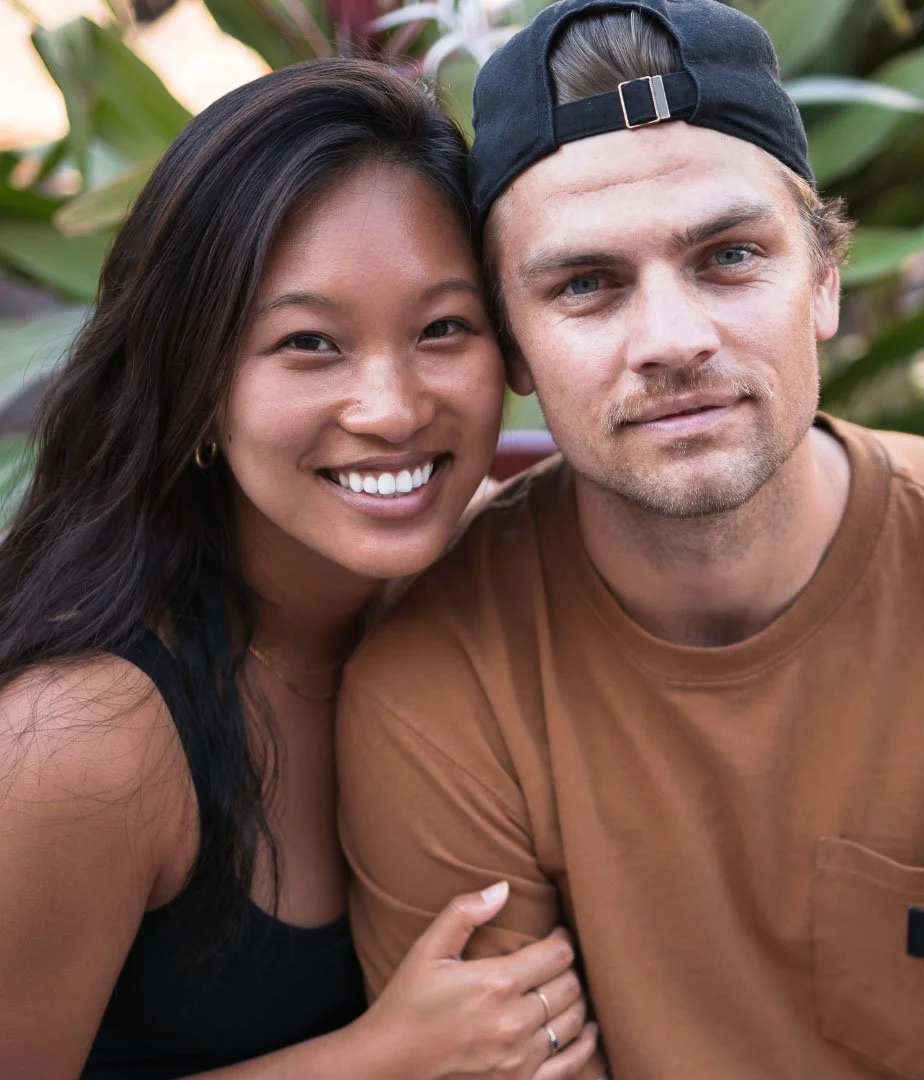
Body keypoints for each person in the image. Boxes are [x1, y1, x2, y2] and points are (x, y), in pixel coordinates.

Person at [336, 2, 924, 1078]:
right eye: (586, 285)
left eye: (729, 256)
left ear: (823, 278)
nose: (674, 341)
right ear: (516, 349)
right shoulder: (440, 675)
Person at [0, 58, 598, 1079]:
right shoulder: (81, 742)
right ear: (196, 387)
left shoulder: (496, 586)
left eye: (443, 328)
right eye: (309, 343)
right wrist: (380, 1061)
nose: (394, 407)